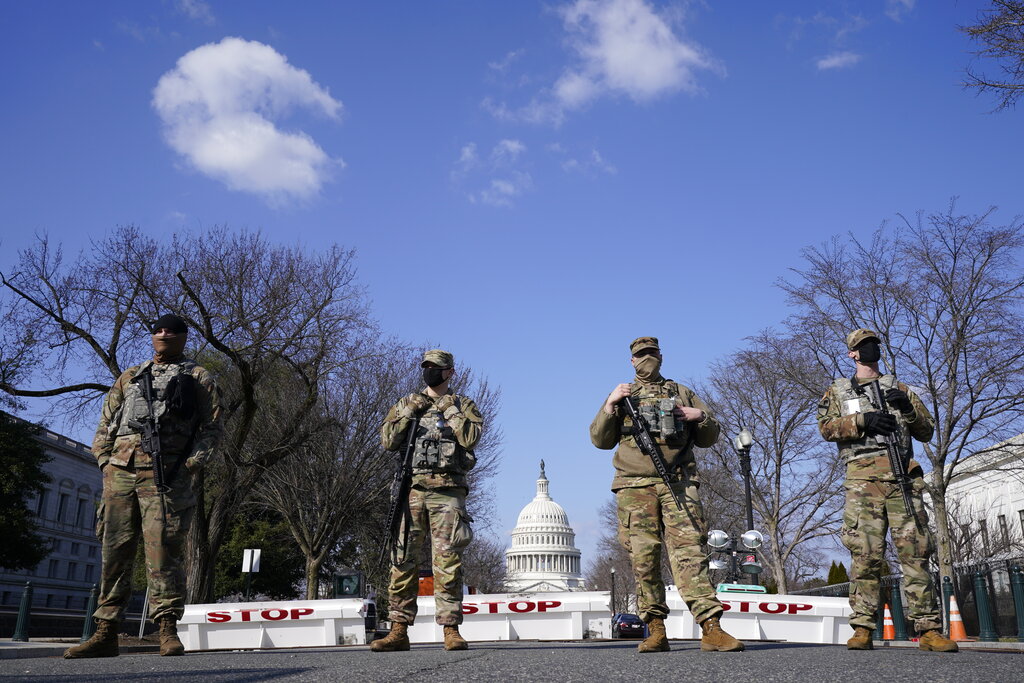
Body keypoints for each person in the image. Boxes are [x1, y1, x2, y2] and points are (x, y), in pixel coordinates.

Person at [65, 314, 223, 659]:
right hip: (121, 472)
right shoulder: (131, 376)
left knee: (163, 552)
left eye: (171, 330)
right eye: (158, 330)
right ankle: (106, 631)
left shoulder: (198, 377)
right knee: (114, 550)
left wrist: (191, 466)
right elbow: (106, 421)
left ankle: (167, 629)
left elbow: (212, 429)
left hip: (167, 474)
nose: (163, 334)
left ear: (183, 337)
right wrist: (105, 461)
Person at [590, 337, 743, 653]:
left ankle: (711, 628)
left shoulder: (682, 392)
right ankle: (656, 629)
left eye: (651, 353)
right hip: (634, 487)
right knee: (644, 559)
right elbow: (599, 439)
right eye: (640, 355)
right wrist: (609, 405)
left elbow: (709, 436)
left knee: (690, 554)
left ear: (661, 356)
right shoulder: (622, 395)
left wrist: (698, 416)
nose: (647, 359)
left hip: (678, 483)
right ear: (632, 361)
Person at [818, 328, 957, 652]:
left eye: (874, 344)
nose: (870, 349)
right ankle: (863, 628)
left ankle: (928, 629)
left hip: (901, 477)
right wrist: (861, 421)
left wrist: (906, 410)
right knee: (865, 555)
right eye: (863, 346)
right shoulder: (839, 390)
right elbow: (826, 428)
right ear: (852, 354)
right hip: (863, 480)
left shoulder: (900, 388)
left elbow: (925, 431)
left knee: (916, 554)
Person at [372, 349, 483, 652]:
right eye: (427, 366)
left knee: (448, 562)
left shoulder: (464, 404)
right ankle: (398, 629)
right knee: (402, 559)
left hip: (448, 491)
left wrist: (450, 410)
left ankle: (450, 629)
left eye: (437, 367)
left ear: (450, 372)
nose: (430, 371)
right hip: (412, 490)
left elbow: (471, 438)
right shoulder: (407, 403)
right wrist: (409, 411)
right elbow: (387, 440)